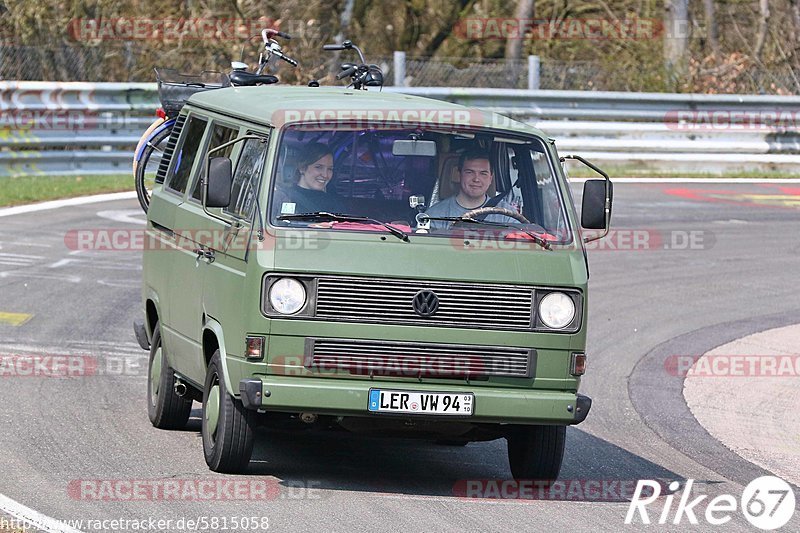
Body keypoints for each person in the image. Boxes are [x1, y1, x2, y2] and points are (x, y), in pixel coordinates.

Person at [424, 149, 519, 230]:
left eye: (483, 173)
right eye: (470, 172)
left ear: (491, 178)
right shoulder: (434, 215)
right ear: (459, 175)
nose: (476, 179)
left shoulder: (507, 216)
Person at [273, 143, 346, 216]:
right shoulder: (284, 198)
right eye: (318, 167)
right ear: (302, 168)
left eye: (330, 169)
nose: (325, 175)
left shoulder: (334, 201)